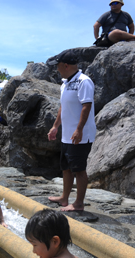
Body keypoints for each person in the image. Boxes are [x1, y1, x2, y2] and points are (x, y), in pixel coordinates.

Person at [46, 50, 97, 212]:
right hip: (67, 135)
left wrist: (79, 129)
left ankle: (78, 203)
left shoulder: (84, 81)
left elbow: (86, 105)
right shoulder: (65, 83)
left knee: (79, 169)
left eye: (58, 66)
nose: (57, 69)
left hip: (80, 135)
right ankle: (64, 197)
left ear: (66, 65)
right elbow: (63, 106)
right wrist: (55, 126)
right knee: (66, 167)